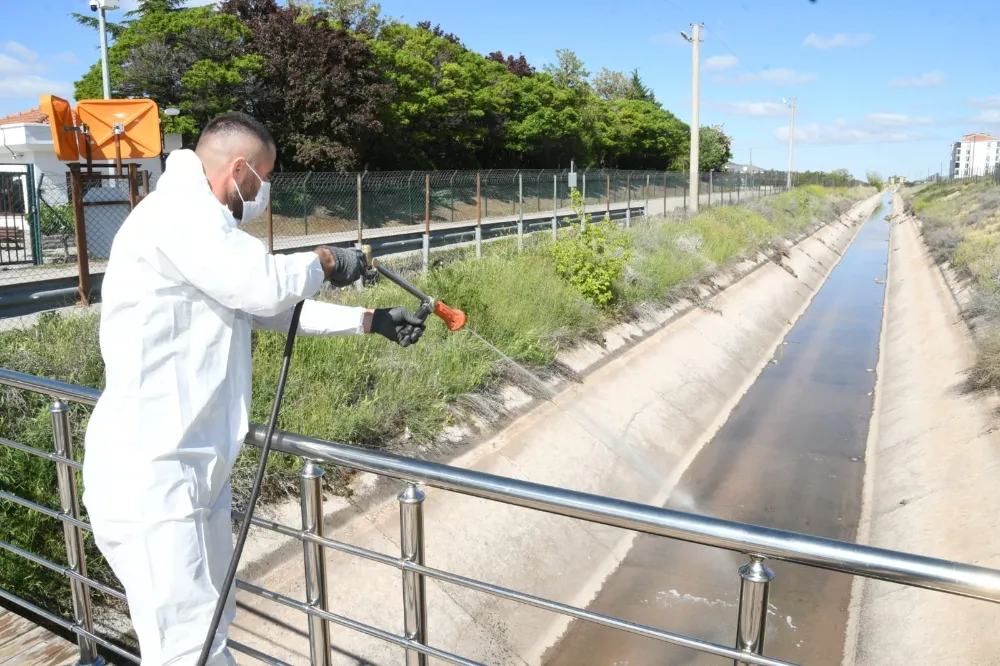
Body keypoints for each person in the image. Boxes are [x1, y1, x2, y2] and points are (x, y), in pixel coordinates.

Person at [81, 112, 427, 665]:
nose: (264, 192)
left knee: (213, 623)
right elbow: (265, 286)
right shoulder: (179, 216)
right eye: (264, 178)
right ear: (239, 170)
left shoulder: (205, 233)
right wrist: (325, 260)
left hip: (195, 472)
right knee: (185, 648)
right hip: (154, 478)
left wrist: (371, 320)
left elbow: (267, 307)